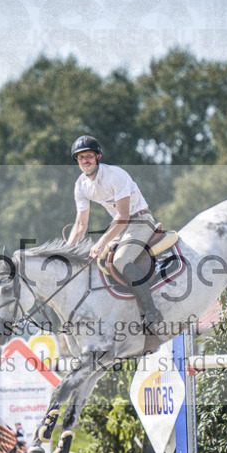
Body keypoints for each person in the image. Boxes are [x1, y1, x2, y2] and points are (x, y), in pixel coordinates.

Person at [65, 135, 163, 328]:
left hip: (140, 220)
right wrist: (65, 253)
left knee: (120, 260)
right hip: (120, 226)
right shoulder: (81, 185)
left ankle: (151, 311)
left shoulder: (115, 175)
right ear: (77, 161)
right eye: (81, 157)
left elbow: (123, 215)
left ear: (98, 156)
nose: (85, 160)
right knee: (96, 260)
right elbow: (80, 225)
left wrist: (102, 242)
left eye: (89, 156)